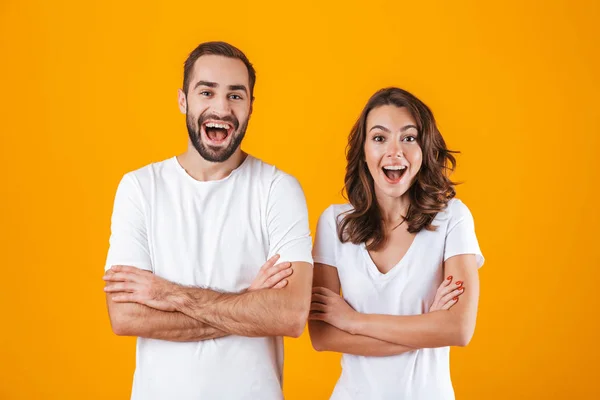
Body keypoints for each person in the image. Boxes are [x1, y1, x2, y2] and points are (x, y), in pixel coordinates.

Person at [102, 41, 313, 400]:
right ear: (183, 100)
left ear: (250, 107)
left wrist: (166, 294)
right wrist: (247, 301)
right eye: (207, 92)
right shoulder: (139, 188)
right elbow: (126, 317)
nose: (221, 107)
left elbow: (289, 315)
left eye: (235, 95)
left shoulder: (278, 189)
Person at [308, 87, 484, 399]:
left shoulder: (452, 218)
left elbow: (459, 329)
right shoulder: (335, 223)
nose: (395, 151)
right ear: (363, 150)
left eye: (409, 137)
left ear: (424, 148)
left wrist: (353, 321)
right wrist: (428, 326)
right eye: (379, 138)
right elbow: (322, 335)